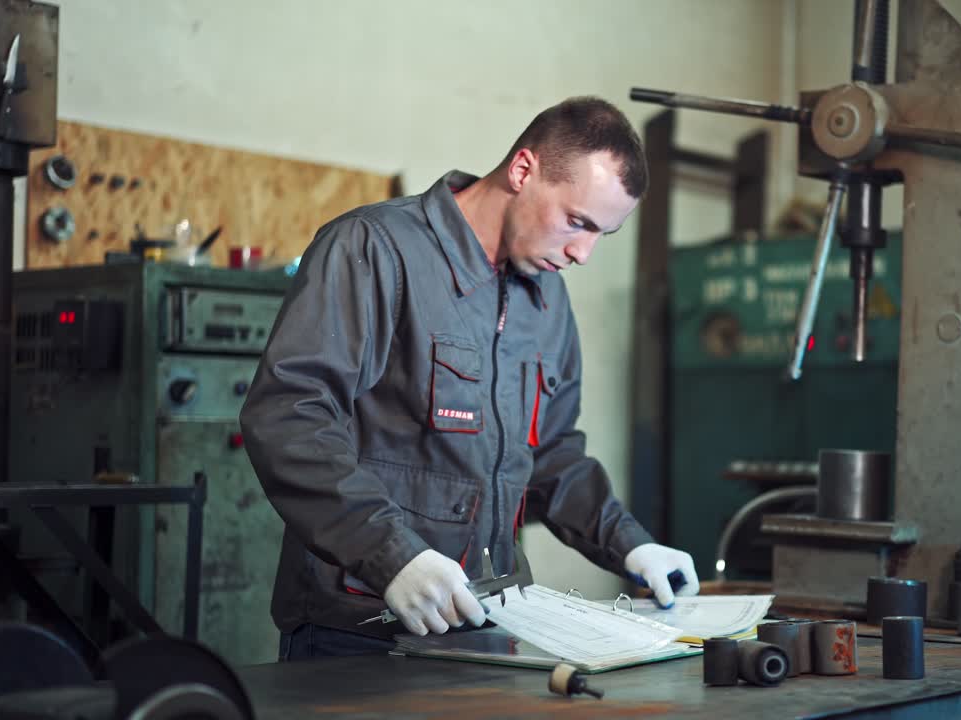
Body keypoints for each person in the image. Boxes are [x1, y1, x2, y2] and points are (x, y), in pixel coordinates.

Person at [240, 96, 700, 661]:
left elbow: (551, 452)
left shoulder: (546, 300)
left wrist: (631, 545)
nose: (583, 253)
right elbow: (289, 414)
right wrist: (389, 554)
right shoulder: (377, 248)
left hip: (485, 629)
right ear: (523, 170)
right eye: (577, 222)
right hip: (357, 629)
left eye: (602, 233)